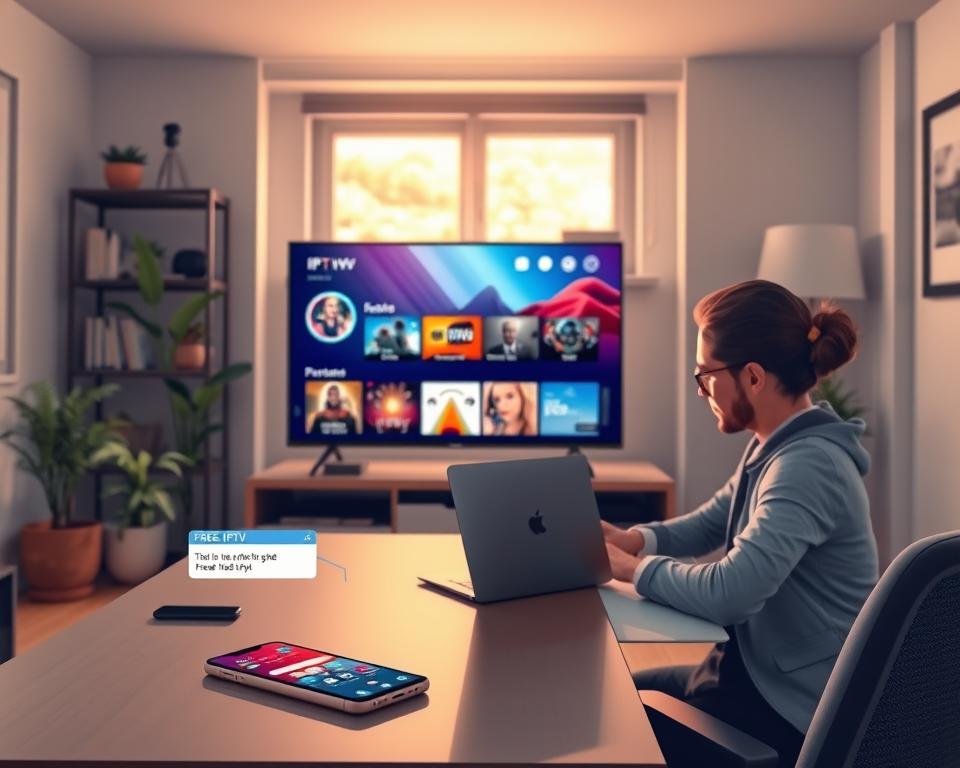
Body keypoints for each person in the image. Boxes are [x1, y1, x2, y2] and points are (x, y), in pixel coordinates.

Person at [602, 279, 877, 767]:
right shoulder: (777, 444)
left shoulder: (806, 465)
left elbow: (731, 592)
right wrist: (635, 540)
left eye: (704, 375)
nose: (702, 390)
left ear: (752, 377)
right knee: (614, 696)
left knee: (615, 724)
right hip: (752, 671)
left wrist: (630, 569)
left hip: (788, 708)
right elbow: (714, 520)